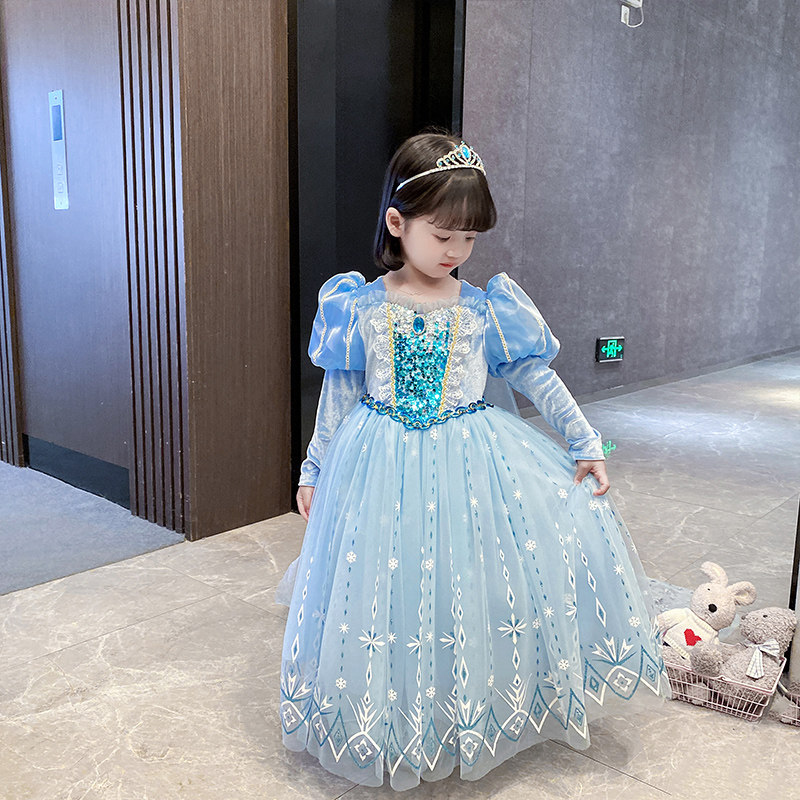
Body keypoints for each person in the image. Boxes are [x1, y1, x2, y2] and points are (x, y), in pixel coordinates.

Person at [280, 132, 668, 790]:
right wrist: (313, 469)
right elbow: (339, 395)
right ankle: (395, 718)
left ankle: (464, 710)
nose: (456, 252)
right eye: (443, 236)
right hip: (377, 466)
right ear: (397, 224)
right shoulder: (359, 307)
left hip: (469, 464)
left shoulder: (486, 309)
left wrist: (584, 441)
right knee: (387, 587)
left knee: (464, 581)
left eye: (469, 238)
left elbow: (536, 377)